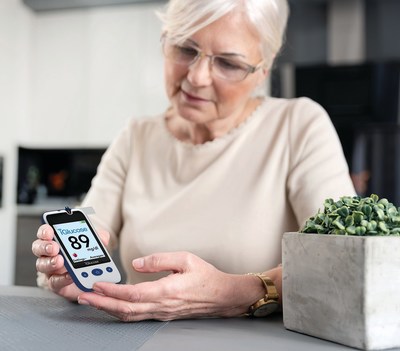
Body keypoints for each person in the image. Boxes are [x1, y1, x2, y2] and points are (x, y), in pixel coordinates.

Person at [32, 0, 355, 322]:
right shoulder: (136, 136)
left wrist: (235, 293)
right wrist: (61, 264)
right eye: (186, 49)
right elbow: (95, 227)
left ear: (263, 71)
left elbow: (343, 260)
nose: (197, 77)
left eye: (228, 63)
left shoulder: (298, 124)